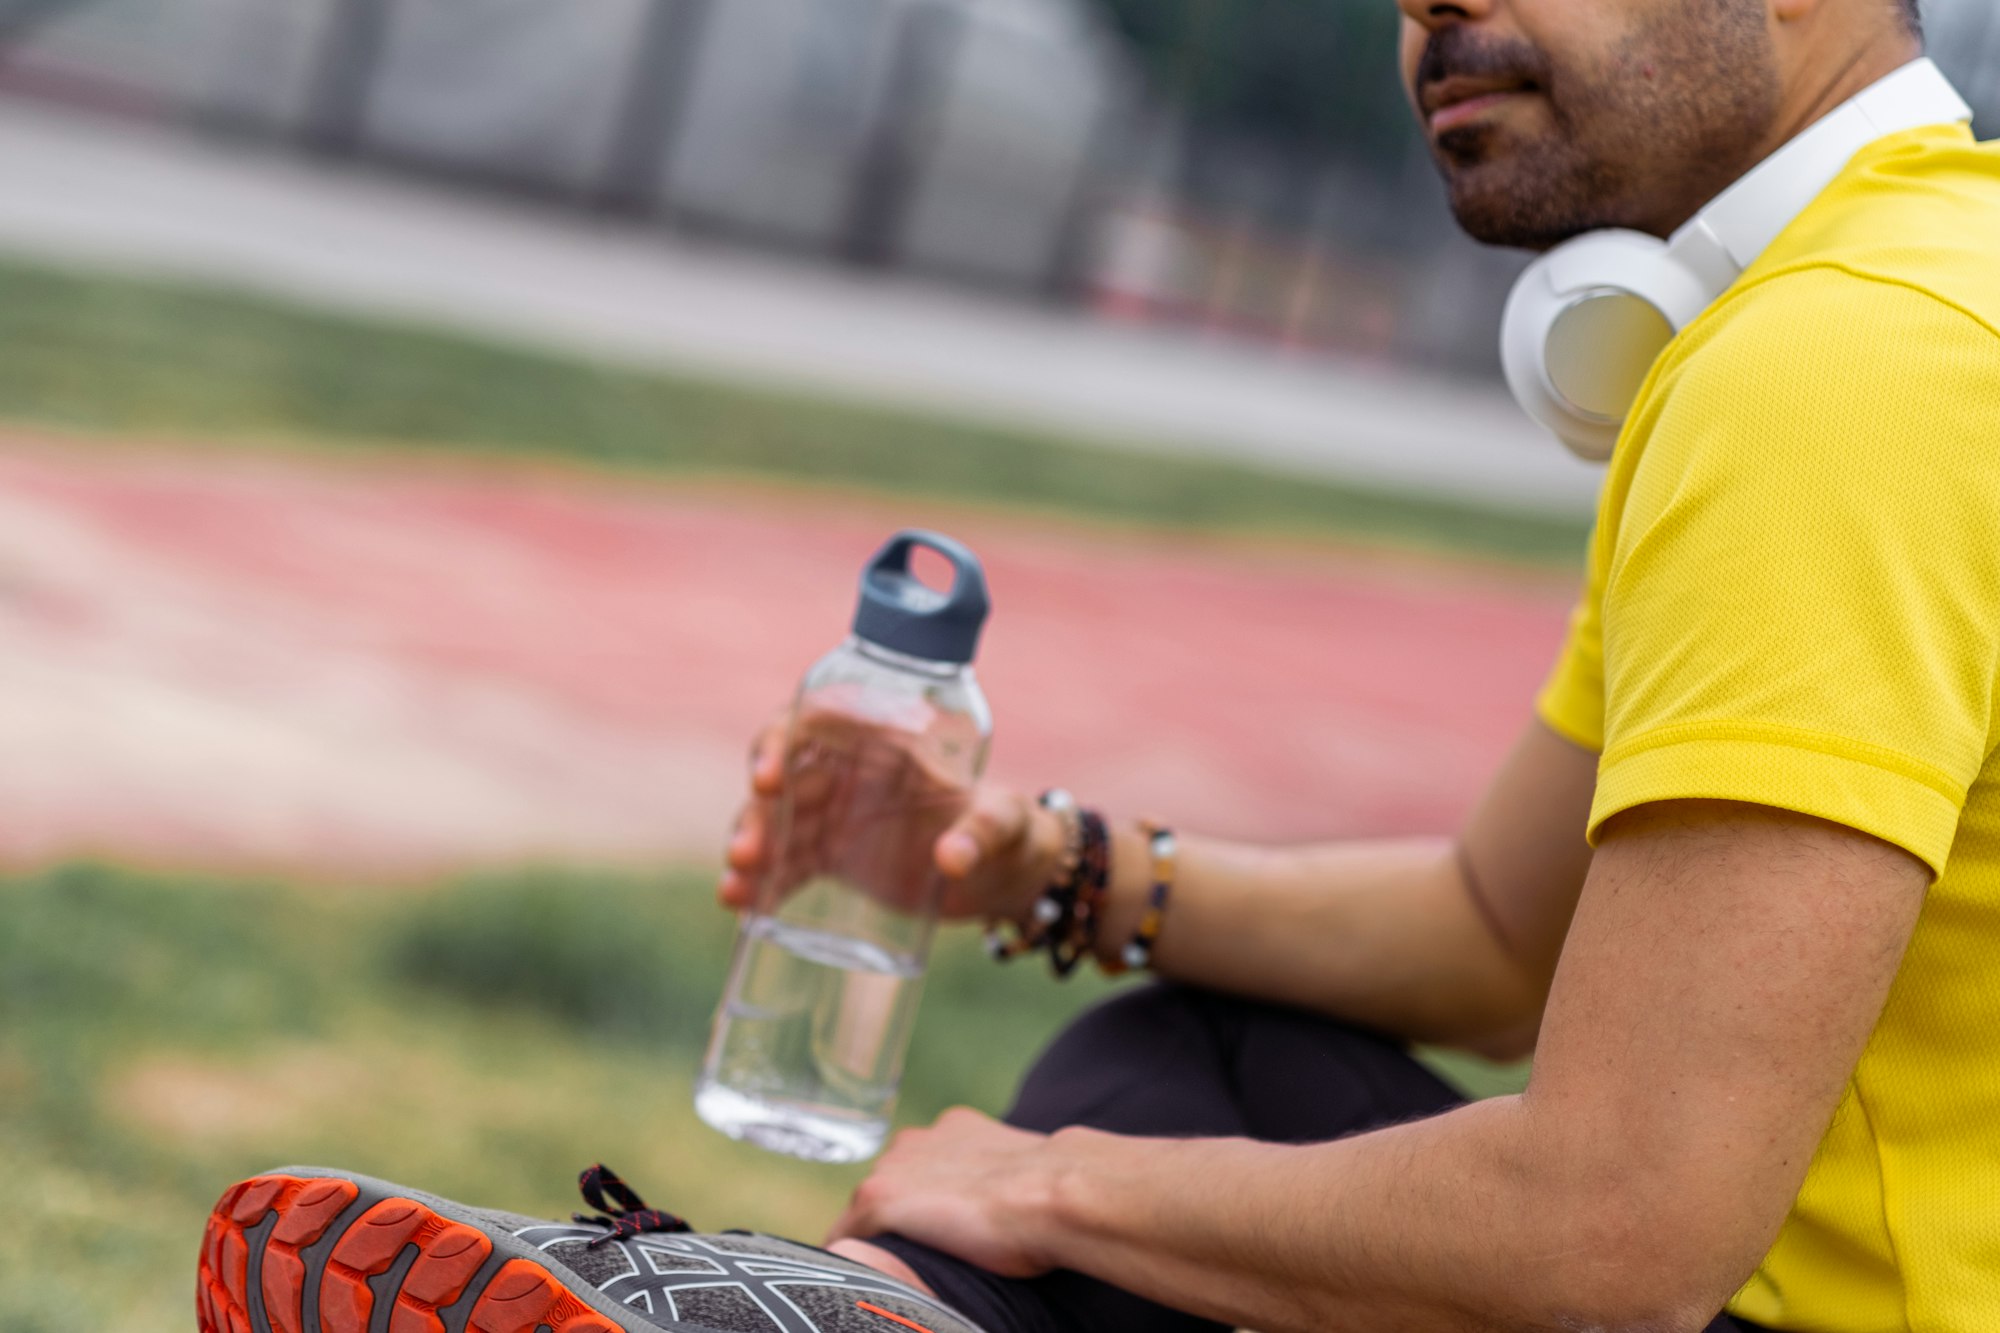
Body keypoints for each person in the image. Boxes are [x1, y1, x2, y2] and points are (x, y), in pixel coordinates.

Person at [198, 0, 2000, 1331]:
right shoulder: (1898, 297)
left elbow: (1623, 1223)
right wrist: (1038, 865)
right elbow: (1496, 937)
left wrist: (1049, 1187)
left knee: (1131, 1163)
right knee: (1201, 1051)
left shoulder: (1836, 375)